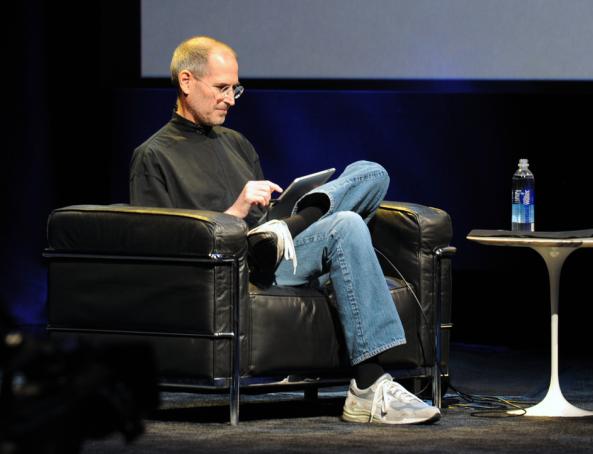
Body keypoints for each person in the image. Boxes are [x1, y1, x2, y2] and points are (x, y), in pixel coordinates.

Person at [129, 36, 440, 425]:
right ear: (187, 82)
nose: (231, 99)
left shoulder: (236, 143)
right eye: (222, 88)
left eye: (236, 88)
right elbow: (162, 246)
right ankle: (369, 386)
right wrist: (235, 214)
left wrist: (278, 216)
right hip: (233, 263)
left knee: (372, 172)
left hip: (277, 249)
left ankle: (294, 222)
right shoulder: (154, 155)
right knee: (345, 223)